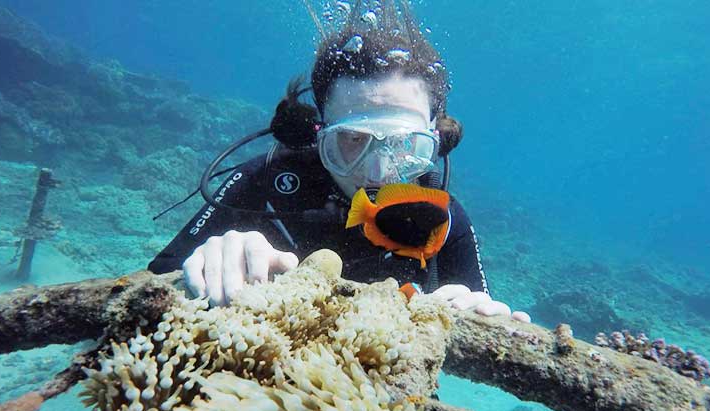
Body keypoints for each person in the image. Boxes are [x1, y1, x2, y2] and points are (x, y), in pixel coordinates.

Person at [148, 3, 530, 322]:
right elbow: (149, 286)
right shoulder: (264, 184)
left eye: (405, 144)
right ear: (318, 133)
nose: (379, 172)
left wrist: (478, 312)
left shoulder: (443, 220)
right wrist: (203, 265)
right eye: (350, 141)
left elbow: (482, 318)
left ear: (436, 138)